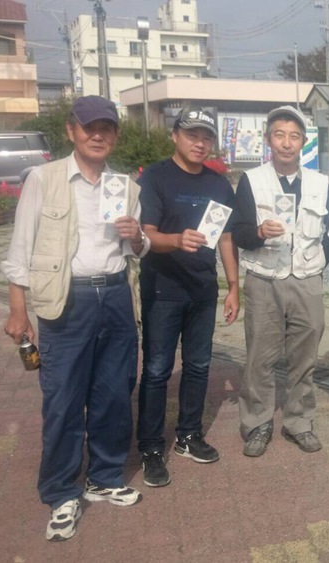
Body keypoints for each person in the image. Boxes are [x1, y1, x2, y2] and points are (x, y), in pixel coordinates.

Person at [1, 95, 150, 541]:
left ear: (116, 135)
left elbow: (138, 250)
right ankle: (61, 491)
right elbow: (21, 247)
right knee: (63, 398)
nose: (97, 135)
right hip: (68, 299)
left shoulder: (125, 186)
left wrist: (137, 236)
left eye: (106, 128)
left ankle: (104, 476)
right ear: (71, 131)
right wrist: (17, 309)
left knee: (114, 393)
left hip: (117, 295)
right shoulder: (43, 179)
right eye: (89, 127)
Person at [134, 107, 240, 487]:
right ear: (175, 135)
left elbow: (226, 237)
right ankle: (150, 446)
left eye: (206, 137)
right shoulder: (155, 178)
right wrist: (176, 240)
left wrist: (233, 286)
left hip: (202, 289)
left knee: (198, 365)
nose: (200, 143)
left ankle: (189, 435)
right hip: (163, 289)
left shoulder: (218, 184)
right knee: (157, 370)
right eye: (192, 134)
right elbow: (145, 235)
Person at [231, 105, 329, 457]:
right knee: (260, 356)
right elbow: (238, 232)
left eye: (294, 136)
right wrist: (259, 232)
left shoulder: (320, 183)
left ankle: (299, 421)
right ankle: (257, 422)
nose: (287, 143)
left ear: (303, 142)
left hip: (307, 280)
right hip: (264, 279)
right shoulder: (251, 180)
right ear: (268, 140)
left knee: (305, 357)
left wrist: (316, 262)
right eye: (279, 135)